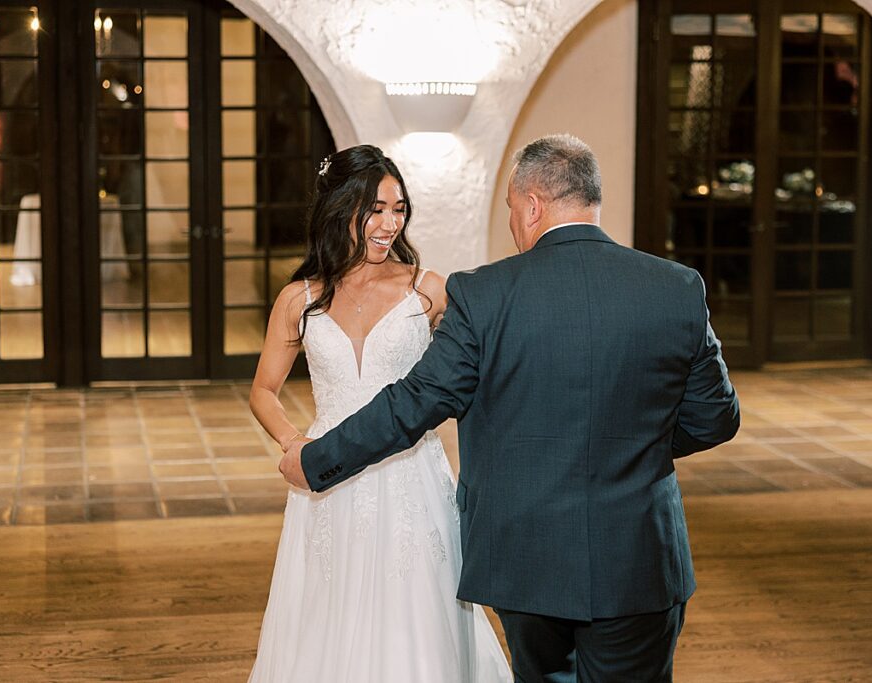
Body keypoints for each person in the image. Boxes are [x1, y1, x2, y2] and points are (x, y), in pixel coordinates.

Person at [281, 134, 741, 681]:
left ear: (531, 205)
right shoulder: (676, 287)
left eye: (509, 210)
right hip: (639, 557)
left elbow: (414, 403)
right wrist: (627, 443)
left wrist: (316, 461)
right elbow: (716, 417)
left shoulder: (484, 295)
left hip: (527, 555)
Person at [247, 144, 511, 682]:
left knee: (416, 604)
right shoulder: (300, 299)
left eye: (399, 209)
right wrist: (294, 443)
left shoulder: (426, 290)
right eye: (377, 209)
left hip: (409, 472)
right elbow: (263, 390)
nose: (391, 223)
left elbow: (474, 374)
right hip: (328, 474)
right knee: (327, 606)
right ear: (340, 208)